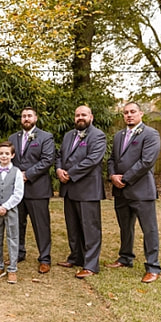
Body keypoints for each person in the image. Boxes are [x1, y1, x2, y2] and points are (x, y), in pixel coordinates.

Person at [107, 102, 161, 282]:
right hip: (120, 191)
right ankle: (125, 257)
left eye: (132, 112)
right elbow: (112, 159)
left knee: (149, 229)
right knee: (125, 227)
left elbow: (146, 162)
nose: (129, 115)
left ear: (141, 114)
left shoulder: (150, 134)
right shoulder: (118, 136)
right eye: (125, 113)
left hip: (141, 190)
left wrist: (124, 178)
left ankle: (153, 266)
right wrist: (112, 175)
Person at [57, 105, 107, 278]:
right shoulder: (68, 135)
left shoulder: (98, 135)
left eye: (84, 115)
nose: (80, 117)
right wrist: (58, 170)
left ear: (91, 117)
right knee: (73, 226)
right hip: (69, 189)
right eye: (77, 115)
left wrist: (70, 173)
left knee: (90, 228)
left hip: (87, 189)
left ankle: (91, 265)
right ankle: (76, 257)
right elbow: (60, 155)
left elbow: (93, 160)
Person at [7, 107, 55, 274]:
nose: (26, 118)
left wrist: (27, 175)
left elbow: (47, 160)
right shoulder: (13, 138)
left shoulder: (46, 137)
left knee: (41, 225)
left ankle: (44, 258)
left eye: (29, 116)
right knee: (17, 223)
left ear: (36, 118)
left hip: (37, 189)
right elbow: (8, 158)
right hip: (17, 190)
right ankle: (19, 253)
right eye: (23, 116)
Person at [0, 141, 24, 284]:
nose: (4, 156)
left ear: (12, 155)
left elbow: (18, 193)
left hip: (11, 210)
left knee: (13, 238)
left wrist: (6, 207)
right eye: (1, 153)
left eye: (7, 154)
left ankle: (12, 269)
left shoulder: (17, 172)